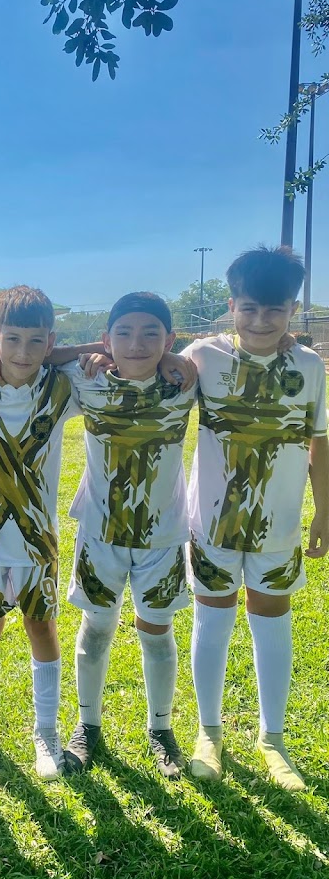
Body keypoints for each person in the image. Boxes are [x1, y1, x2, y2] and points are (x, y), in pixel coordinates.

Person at [185, 246, 329, 791]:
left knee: (272, 619)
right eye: (249, 308)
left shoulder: (308, 366)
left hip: (279, 523)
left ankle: (273, 739)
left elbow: (318, 442)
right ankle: (209, 732)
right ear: (231, 307)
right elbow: (145, 364)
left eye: (275, 310)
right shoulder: (203, 355)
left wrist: (324, 511)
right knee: (212, 620)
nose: (262, 321)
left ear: (293, 309)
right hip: (213, 524)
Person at [64, 292, 195, 779]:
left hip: (163, 535)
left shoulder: (185, 383)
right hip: (101, 531)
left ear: (170, 339)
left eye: (150, 334)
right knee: (97, 626)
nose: (136, 344)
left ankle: (161, 729)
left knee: (156, 629)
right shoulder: (87, 379)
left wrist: (181, 360)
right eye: (124, 333)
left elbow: (230, 349)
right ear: (106, 338)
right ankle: (88, 726)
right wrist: (89, 351)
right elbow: (35, 354)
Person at [0, 286, 82, 780]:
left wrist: (90, 351)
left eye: (36, 341)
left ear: (51, 342)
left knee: (41, 628)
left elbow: (120, 357)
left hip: (38, 541)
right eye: (12, 339)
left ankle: (46, 732)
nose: (23, 352)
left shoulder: (63, 387)